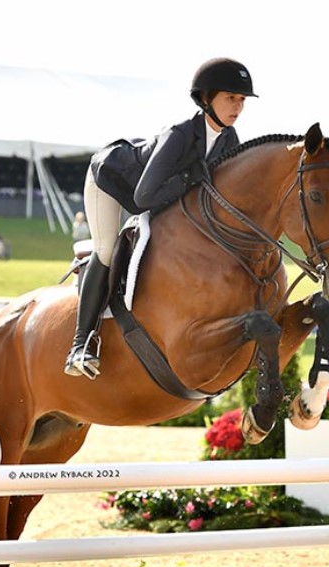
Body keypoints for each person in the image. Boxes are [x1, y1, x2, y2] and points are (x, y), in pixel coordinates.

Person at [64, 57, 256, 379]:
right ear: (206, 99)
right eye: (230, 98)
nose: (237, 106)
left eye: (241, 100)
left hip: (153, 194)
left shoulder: (229, 140)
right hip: (111, 181)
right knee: (108, 249)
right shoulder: (179, 135)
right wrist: (187, 180)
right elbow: (142, 199)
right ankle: (80, 345)